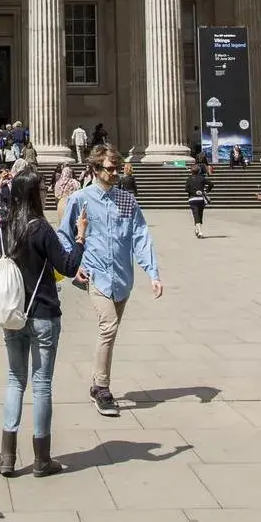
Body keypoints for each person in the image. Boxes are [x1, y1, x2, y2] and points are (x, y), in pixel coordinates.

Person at [0, 169, 89, 479]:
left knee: (14, 380)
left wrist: (4, 188)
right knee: (41, 385)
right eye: (43, 189)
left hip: (13, 313)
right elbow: (68, 265)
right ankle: (41, 458)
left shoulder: (7, 226)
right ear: (36, 194)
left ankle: (7, 456)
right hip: (44, 313)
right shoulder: (42, 230)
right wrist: (80, 236)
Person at [58, 145, 162, 418]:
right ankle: (102, 388)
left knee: (110, 333)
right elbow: (63, 235)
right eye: (110, 168)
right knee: (109, 326)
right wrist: (75, 265)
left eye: (117, 168)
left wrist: (153, 273)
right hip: (96, 275)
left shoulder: (127, 201)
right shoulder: (79, 199)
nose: (115, 173)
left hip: (122, 277)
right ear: (94, 169)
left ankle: (97, 382)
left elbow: (140, 236)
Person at [185, 160, 211, 238]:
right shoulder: (202, 178)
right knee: (200, 214)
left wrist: (194, 192)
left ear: (192, 171)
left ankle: (199, 231)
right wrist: (206, 191)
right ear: (199, 171)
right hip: (201, 199)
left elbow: (186, 189)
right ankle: (197, 229)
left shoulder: (189, 179)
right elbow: (211, 184)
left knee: (196, 215)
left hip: (192, 199)